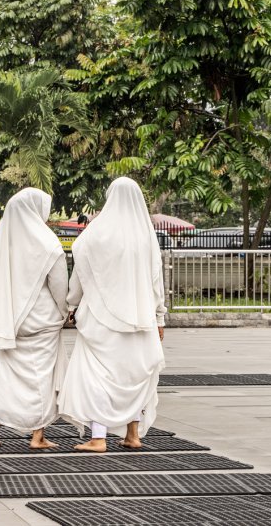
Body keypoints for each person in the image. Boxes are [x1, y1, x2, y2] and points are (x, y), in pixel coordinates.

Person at [59, 177, 166, 452]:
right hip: (141, 319)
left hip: (100, 319)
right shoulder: (145, 237)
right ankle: (133, 434)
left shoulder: (94, 234)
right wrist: (159, 317)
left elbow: (79, 273)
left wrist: (72, 305)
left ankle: (98, 437)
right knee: (132, 376)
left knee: (98, 376)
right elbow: (157, 281)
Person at [0, 188, 70, 450]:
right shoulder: (48, 243)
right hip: (42, 321)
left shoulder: (0, 239)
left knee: (5, 377)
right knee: (40, 377)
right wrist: (64, 313)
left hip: (10, 321)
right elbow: (59, 286)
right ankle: (37, 436)